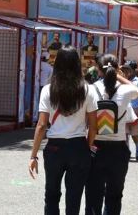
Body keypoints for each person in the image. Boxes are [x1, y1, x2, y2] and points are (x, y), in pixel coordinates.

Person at [29, 46, 97, 215]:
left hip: (54, 148)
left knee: (51, 195)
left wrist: (33, 155)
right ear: (77, 63)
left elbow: (42, 125)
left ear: (57, 63)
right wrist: (87, 147)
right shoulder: (88, 90)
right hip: (79, 147)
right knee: (74, 199)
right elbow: (94, 126)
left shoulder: (48, 90)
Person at [85, 55, 138, 215]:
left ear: (98, 70)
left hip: (96, 146)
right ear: (116, 69)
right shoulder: (126, 90)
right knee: (115, 195)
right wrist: (119, 75)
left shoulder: (90, 89)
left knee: (94, 194)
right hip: (118, 149)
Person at [125, 62, 138, 162]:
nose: (127, 71)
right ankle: (127, 151)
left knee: (134, 132)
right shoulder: (122, 79)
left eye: (129, 69)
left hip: (135, 108)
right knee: (125, 132)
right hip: (124, 108)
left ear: (134, 70)